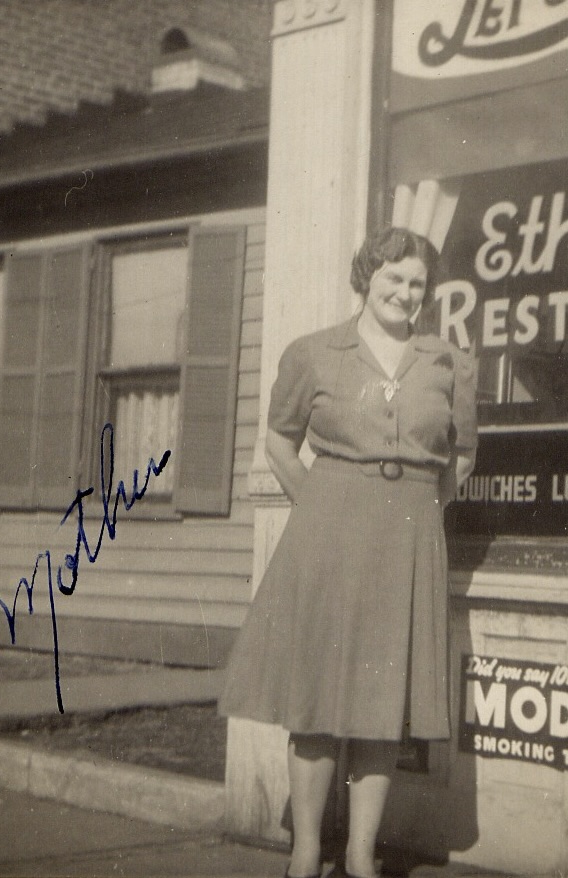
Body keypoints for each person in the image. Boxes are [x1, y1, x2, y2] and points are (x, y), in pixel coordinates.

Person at [219, 226, 478, 878]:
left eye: (417, 283)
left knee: (381, 704)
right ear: (367, 278)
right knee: (316, 699)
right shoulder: (314, 353)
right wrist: (319, 506)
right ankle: (307, 850)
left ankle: (361, 854)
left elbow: (464, 453)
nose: (406, 293)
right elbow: (279, 441)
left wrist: (423, 508)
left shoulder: (448, 362)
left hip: (408, 542)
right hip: (328, 537)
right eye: (394, 278)